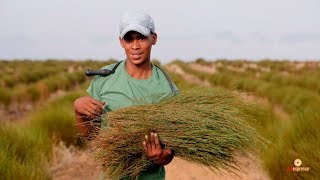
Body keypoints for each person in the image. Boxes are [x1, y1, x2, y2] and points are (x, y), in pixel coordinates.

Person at [73, 10, 179, 179]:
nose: (135, 46)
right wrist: (79, 110)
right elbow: (90, 135)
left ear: (154, 38)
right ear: (121, 42)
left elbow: (170, 151)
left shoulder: (167, 90)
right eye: (129, 39)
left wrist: (162, 158)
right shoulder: (105, 78)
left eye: (141, 38)